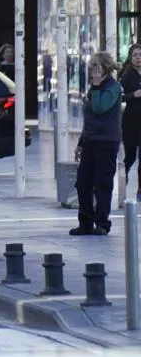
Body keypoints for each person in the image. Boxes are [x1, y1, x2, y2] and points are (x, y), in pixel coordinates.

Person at [71, 51, 124, 236]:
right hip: (91, 141)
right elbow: (89, 118)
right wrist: (81, 142)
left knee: (102, 183)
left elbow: (100, 108)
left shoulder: (113, 87)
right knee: (82, 182)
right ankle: (85, 221)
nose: (93, 71)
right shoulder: (93, 88)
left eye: (97, 67)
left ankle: (102, 222)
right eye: (92, 67)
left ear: (105, 69)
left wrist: (96, 86)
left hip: (107, 142)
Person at [121, 43, 141, 197]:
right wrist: (133, 95)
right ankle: (123, 181)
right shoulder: (127, 75)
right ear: (130, 57)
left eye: (140, 55)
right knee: (130, 155)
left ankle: (140, 189)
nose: (138, 58)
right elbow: (119, 97)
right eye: (135, 55)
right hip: (131, 121)